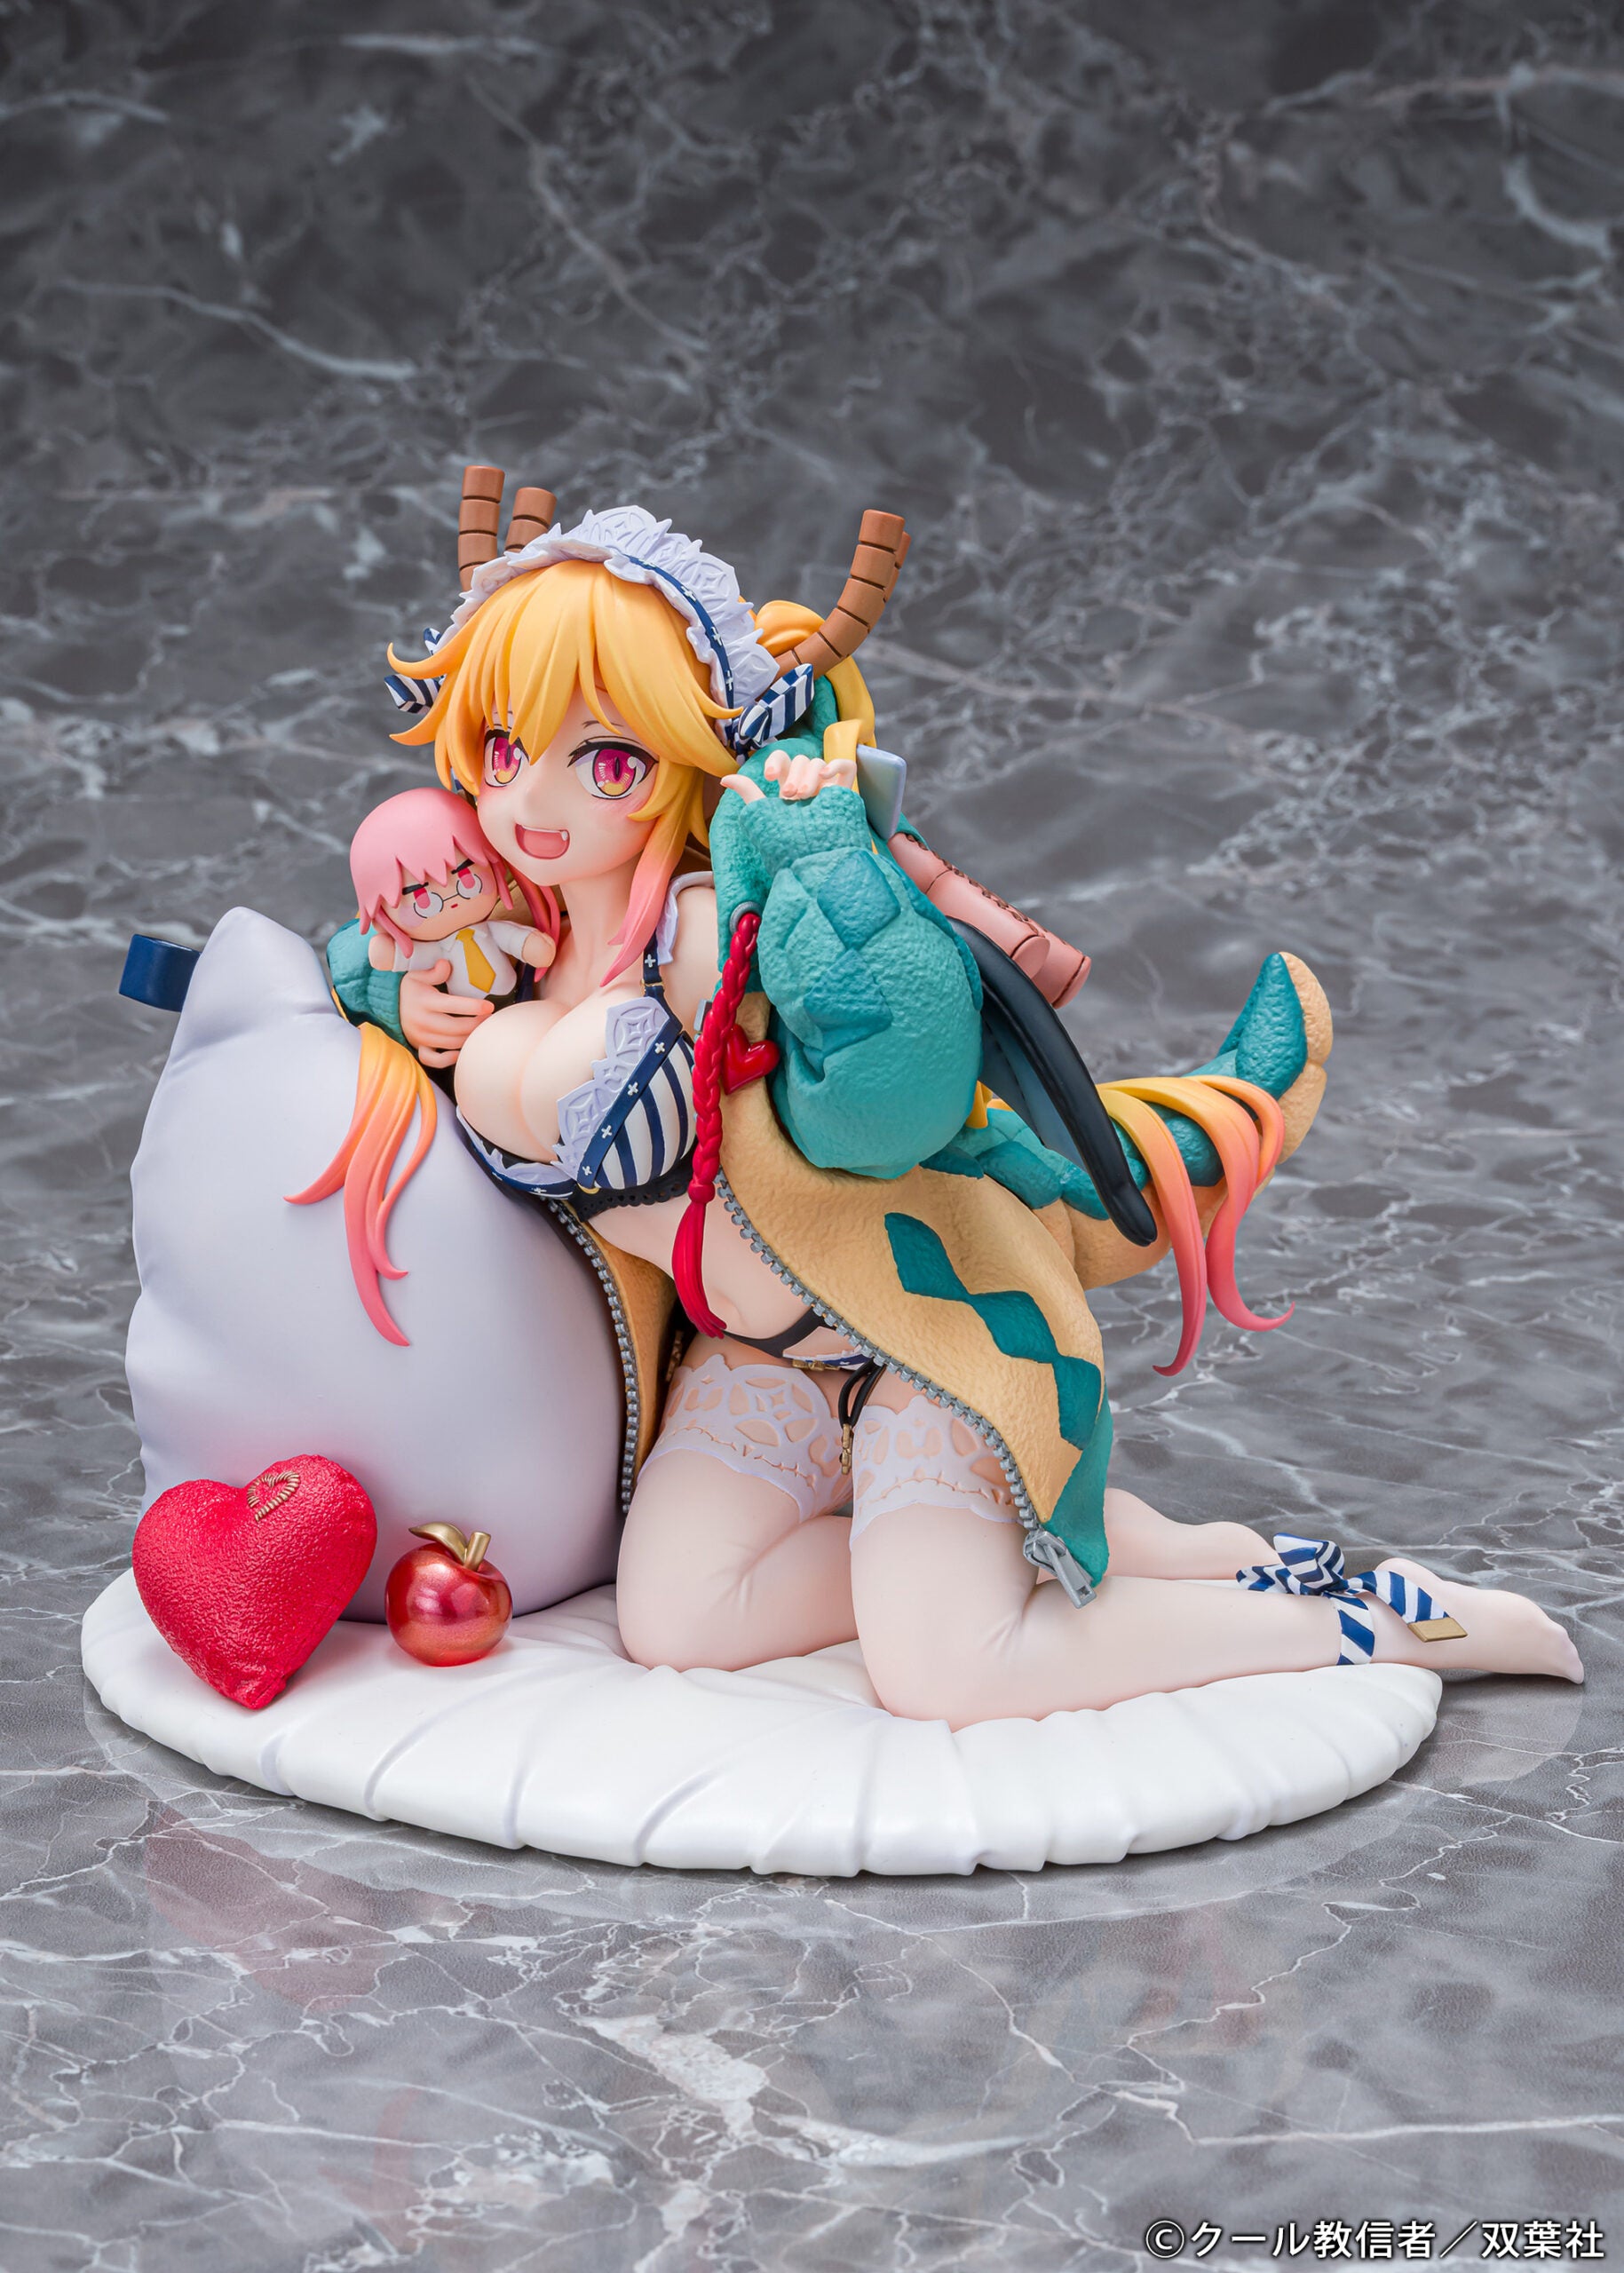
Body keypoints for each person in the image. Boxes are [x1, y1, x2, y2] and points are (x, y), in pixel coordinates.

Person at [304, 501, 1581, 1726]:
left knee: (948, 1671)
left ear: (686, 757)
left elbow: (889, 1099)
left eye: (609, 760)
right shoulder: (502, 945)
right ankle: (1128, 1552)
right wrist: (400, 1000)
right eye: (505, 749)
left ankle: (1365, 1622)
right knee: (679, 1619)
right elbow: (357, 960)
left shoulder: (702, 934)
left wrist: (824, 874)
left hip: (922, 1330)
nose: (534, 802)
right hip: (762, 1361)